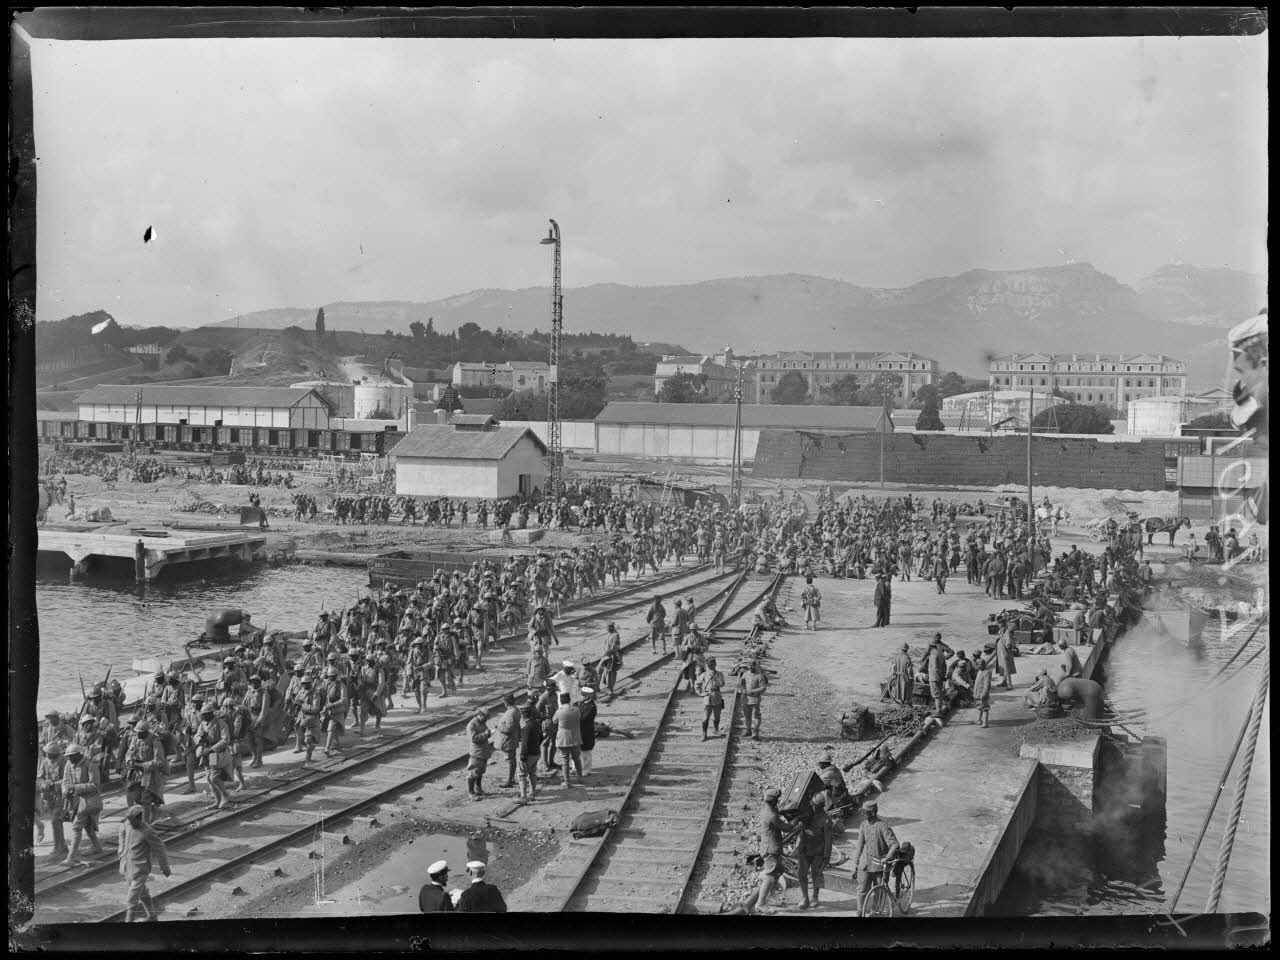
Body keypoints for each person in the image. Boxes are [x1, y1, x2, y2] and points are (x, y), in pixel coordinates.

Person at [740, 787, 791, 915]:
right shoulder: (772, 815)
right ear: (774, 801)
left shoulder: (767, 810)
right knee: (769, 877)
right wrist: (798, 821)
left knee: (778, 871)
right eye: (777, 800)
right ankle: (760, 904)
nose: (779, 801)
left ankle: (769, 897)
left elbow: (776, 813)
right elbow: (786, 828)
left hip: (771, 847)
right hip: (771, 850)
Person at [117, 803, 170, 922]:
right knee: (143, 893)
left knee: (132, 899)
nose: (130, 823)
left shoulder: (147, 831)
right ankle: (152, 916)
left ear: (140, 818)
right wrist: (121, 848)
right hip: (127, 866)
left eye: (132, 821)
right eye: (129, 821)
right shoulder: (128, 823)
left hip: (141, 869)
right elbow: (121, 830)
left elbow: (159, 848)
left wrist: (165, 867)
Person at [852, 801, 900, 918]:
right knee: (861, 889)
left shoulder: (883, 826)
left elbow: (894, 844)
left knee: (879, 891)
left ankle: (874, 912)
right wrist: (856, 863)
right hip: (865, 864)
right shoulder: (863, 825)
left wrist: (887, 858)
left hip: (880, 864)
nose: (863, 815)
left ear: (873, 813)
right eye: (862, 812)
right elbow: (860, 845)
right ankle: (859, 912)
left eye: (865, 813)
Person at [61, 742, 104, 865]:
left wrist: (75, 787)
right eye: (68, 756)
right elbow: (65, 780)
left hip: (89, 801)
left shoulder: (90, 765)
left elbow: (95, 785)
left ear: (78, 754)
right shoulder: (69, 764)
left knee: (76, 827)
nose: (69, 758)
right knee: (88, 825)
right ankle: (97, 847)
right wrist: (65, 790)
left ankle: (71, 857)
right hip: (75, 800)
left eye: (71, 756)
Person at [795, 792, 833, 910]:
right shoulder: (806, 814)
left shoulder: (826, 820)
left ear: (820, 806)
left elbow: (828, 840)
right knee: (802, 874)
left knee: (816, 875)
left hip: (818, 852)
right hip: (804, 849)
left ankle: (815, 897)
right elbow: (795, 826)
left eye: (815, 805)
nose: (813, 806)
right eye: (812, 804)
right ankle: (805, 897)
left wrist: (827, 856)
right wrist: (798, 825)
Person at [37, 742, 68, 859]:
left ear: (55, 754)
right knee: (55, 822)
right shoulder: (45, 761)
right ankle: (62, 846)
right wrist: (44, 783)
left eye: (49, 753)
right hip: (48, 797)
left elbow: (67, 779)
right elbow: (40, 777)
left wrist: (53, 784)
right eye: (46, 753)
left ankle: (58, 847)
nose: (47, 755)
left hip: (61, 795)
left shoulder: (64, 761)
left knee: (55, 820)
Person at [553, 694, 584, 789]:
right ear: (569, 700)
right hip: (575, 738)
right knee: (577, 759)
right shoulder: (576, 710)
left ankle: (567, 781)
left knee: (565, 761)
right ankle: (580, 778)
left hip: (563, 739)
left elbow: (554, 721)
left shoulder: (559, 712)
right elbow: (579, 718)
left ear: (561, 701)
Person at [516, 703, 542, 804]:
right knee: (532, 773)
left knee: (522, 775)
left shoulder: (526, 728)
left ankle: (523, 797)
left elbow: (524, 744)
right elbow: (541, 738)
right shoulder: (537, 723)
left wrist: (522, 755)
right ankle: (532, 793)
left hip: (529, 755)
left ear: (523, 716)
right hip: (537, 753)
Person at [466, 708, 494, 799]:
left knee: (480, 772)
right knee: (473, 773)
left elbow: (483, 735)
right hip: (476, 752)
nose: (486, 720)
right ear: (480, 715)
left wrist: (489, 733)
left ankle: (478, 789)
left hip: (483, 751)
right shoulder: (472, 724)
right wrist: (486, 734)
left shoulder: (482, 722)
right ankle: (471, 793)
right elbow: (474, 739)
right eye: (485, 718)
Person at [696, 657, 726, 741]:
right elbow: (697, 684)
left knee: (717, 717)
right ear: (707, 665)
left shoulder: (719, 674)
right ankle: (704, 734)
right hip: (707, 697)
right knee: (705, 718)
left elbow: (722, 684)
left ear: (715, 664)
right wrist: (701, 693)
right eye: (709, 664)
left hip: (717, 697)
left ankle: (716, 730)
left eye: (712, 664)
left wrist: (715, 677)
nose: (710, 666)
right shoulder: (704, 674)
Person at [737, 660, 768, 741]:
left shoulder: (759, 675)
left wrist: (753, 691)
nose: (751, 667)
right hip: (745, 699)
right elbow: (741, 683)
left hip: (755, 699)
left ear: (755, 666)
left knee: (756, 716)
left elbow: (763, 687)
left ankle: (755, 732)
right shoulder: (745, 674)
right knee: (747, 716)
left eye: (753, 665)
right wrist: (743, 689)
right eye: (750, 665)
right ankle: (748, 730)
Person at [495, 695, 522, 789]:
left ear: (506, 703)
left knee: (510, 761)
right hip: (512, 739)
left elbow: (508, 729)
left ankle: (509, 781)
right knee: (512, 760)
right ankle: (511, 779)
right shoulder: (516, 710)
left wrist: (498, 726)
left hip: (508, 741)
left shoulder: (510, 713)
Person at [578, 687, 598, 777]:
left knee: (586, 752)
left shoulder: (591, 706)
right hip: (580, 731)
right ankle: (577, 768)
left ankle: (586, 770)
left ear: (586, 696)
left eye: (582, 695)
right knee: (578, 751)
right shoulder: (582, 703)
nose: (581, 697)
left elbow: (583, 719)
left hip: (586, 732)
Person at [600, 623, 623, 695]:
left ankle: (610, 690)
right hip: (606, 656)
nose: (606, 629)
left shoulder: (615, 635)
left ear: (611, 628)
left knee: (610, 673)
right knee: (602, 671)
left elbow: (614, 647)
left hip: (612, 657)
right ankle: (606, 688)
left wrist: (619, 659)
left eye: (607, 628)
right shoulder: (609, 634)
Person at [973, 655, 994, 729]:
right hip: (977, 693)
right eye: (978, 665)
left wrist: (984, 694)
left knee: (985, 708)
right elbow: (976, 683)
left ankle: (985, 722)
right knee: (979, 707)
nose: (979, 667)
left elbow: (987, 685)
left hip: (982, 694)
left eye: (980, 665)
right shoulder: (979, 671)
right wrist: (974, 693)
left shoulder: (987, 672)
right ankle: (979, 720)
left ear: (984, 664)